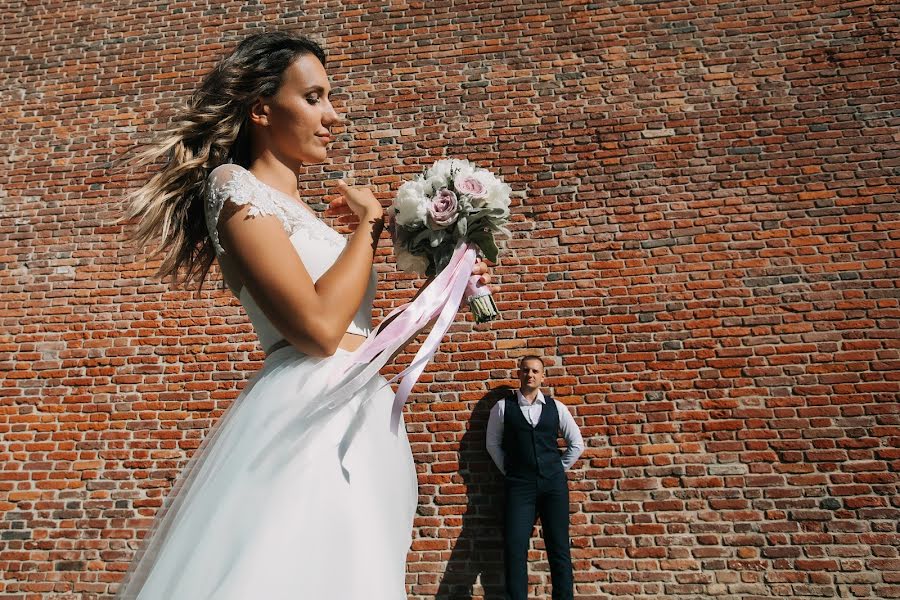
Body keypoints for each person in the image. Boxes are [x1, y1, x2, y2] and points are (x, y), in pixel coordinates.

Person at [115, 32, 492, 599]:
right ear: (262, 109)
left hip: (361, 415)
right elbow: (316, 330)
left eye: (330, 98)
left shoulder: (306, 217)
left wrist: (440, 292)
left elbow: (350, 334)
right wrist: (367, 226)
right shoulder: (234, 187)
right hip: (308, 419)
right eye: (314, 98)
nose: (333, 116)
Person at [486, 355, 584, 600]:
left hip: (554, 486)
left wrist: (556, 468)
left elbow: (577, 444)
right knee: (515, 548)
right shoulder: (502, 407)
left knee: (559, 548)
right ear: (519, 374)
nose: (530, 375)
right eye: (526, 370)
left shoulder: (556, 407)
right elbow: (492, 444)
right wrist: (510, 471)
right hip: (519, 486)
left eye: (535, 371)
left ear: (542, 376)